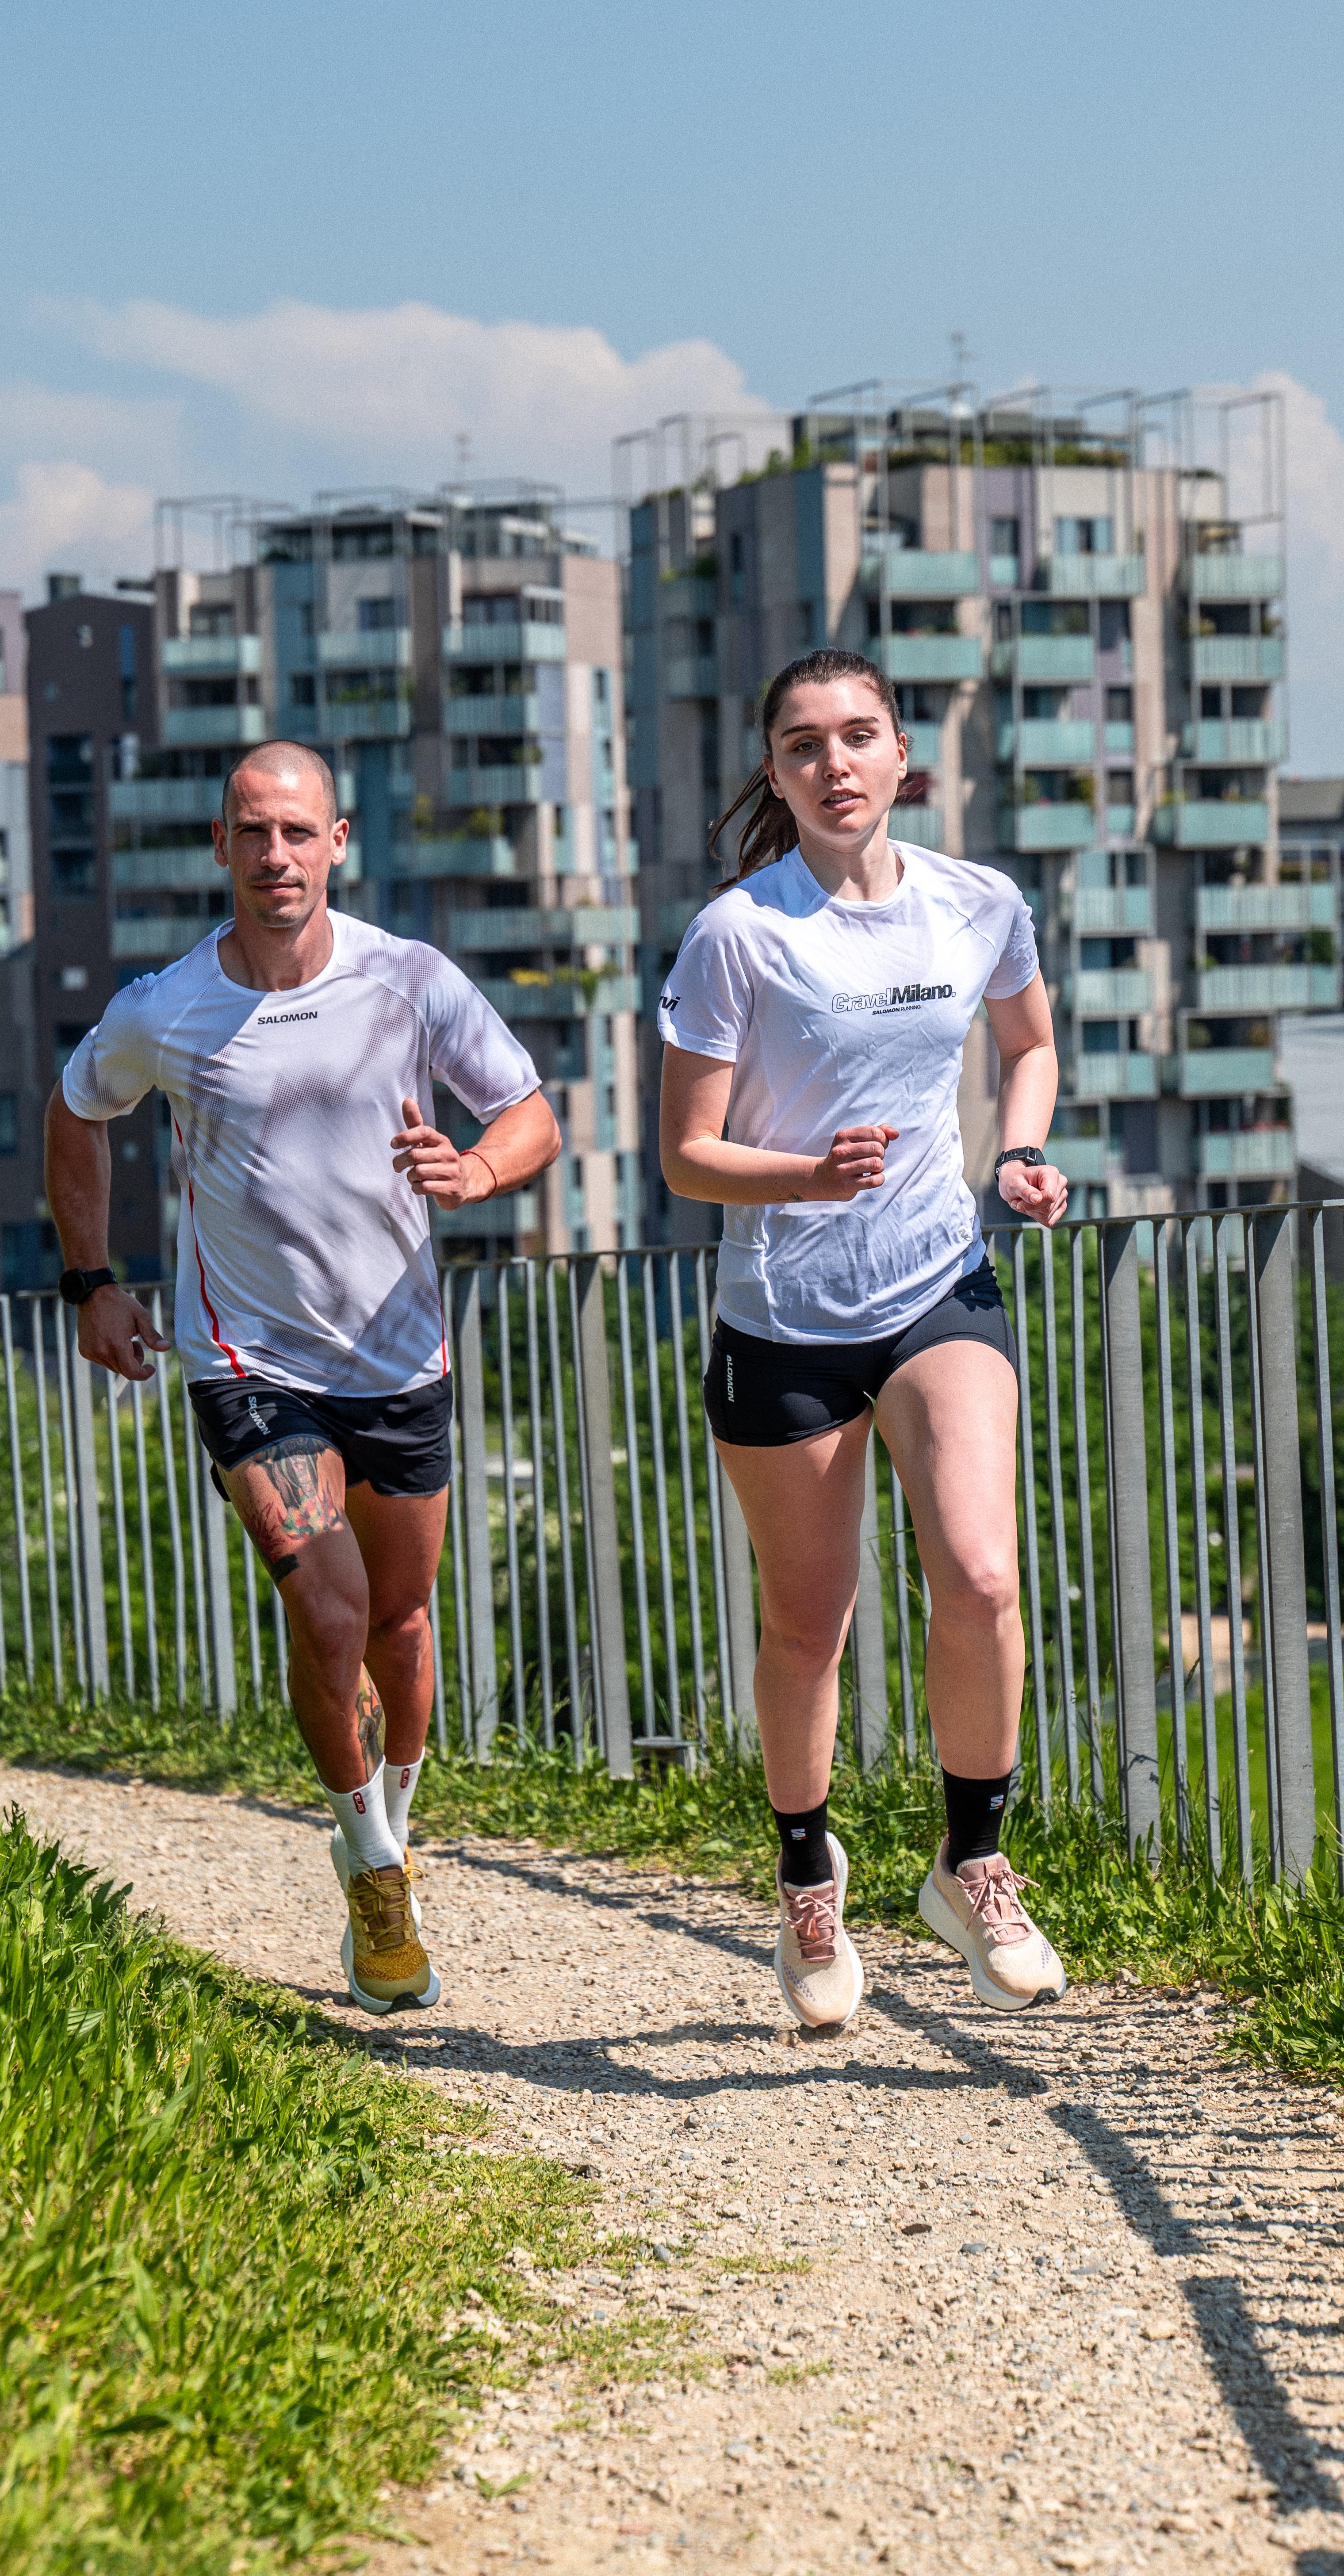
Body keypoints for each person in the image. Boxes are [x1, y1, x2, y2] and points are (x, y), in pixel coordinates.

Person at [45, 739, 560, 2014]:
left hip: (400, 1356)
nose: (277, 855)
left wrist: (479, 1172)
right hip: (249, 1361)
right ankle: (375, 1877)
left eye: (299, 832)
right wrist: (90, 1282)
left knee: (398, 1623)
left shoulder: (411, 981)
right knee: (326, 1611)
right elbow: (75, 1110)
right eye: (253, 831)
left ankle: (387, 1818)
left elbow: (532, 1111)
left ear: (339, 844)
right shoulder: (166, 1008)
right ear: (220, 846)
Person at [658, 648, 1069, 2026]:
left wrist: (1017, 1155)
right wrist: (804, 1177)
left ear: (905, 760)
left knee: (983, 1574)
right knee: (809, 1626)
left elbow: (1029, 1045)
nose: (835, 764)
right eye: (802, 747)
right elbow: (686, 1156)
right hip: (781, 1322)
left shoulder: (977, 904)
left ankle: (973, 1859)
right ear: (775, 776)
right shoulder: (742, 932)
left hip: (935, 1285)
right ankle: (806, 1876)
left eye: (860, 737)